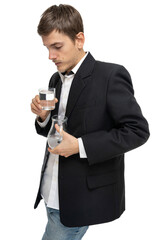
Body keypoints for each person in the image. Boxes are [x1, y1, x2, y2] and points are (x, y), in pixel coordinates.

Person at [31, 4, 150, 240]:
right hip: (51, 191)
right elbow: (56, 129)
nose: (50, 56)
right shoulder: (56, 78)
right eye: (47, 48)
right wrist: (42, 117)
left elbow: (137, 131)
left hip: (80, 197)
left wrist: (79, 146)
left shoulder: (110, 75)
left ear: (79, 39)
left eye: (57, 47)